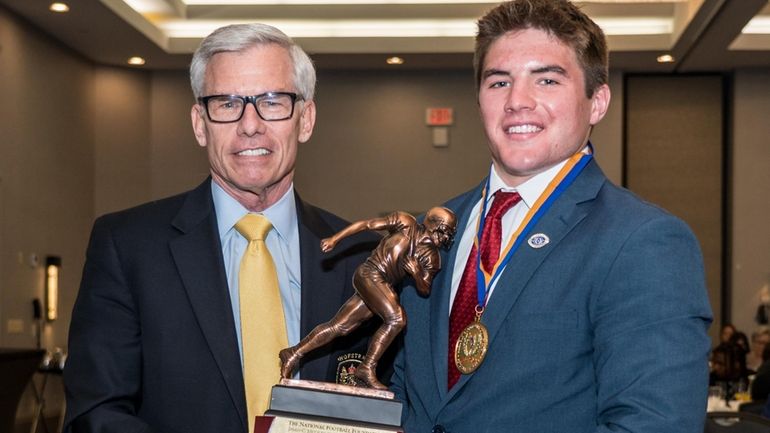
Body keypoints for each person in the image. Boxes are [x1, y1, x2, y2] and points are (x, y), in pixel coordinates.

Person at [389, 1, 713, 432]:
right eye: (499, 81)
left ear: (597, 102)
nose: (517, 101)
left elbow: (652, 424)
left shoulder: (643, 242)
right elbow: (401, 394)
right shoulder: (431, 229)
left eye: (546, 80)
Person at [63, 24, 380, 433]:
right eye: (227, 103)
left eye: (272, 100)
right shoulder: (127, 248)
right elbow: (96, 414)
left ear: (306, 119)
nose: (250, 125)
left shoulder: (359, 256)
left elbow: (385, 396)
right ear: (200, 123)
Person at [280, 208, 457, 389]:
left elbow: (425, 288)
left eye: (449, 235)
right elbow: (367, 224)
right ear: (433, 224)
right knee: (397, 319)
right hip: (369, 274)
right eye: (444, 231)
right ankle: (367, 367)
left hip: (382, 285)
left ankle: (293, 353)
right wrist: (335, 239)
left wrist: (417, 273)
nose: (444, 238)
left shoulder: (432, 258)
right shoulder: (405, 222)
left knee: (339, 326)